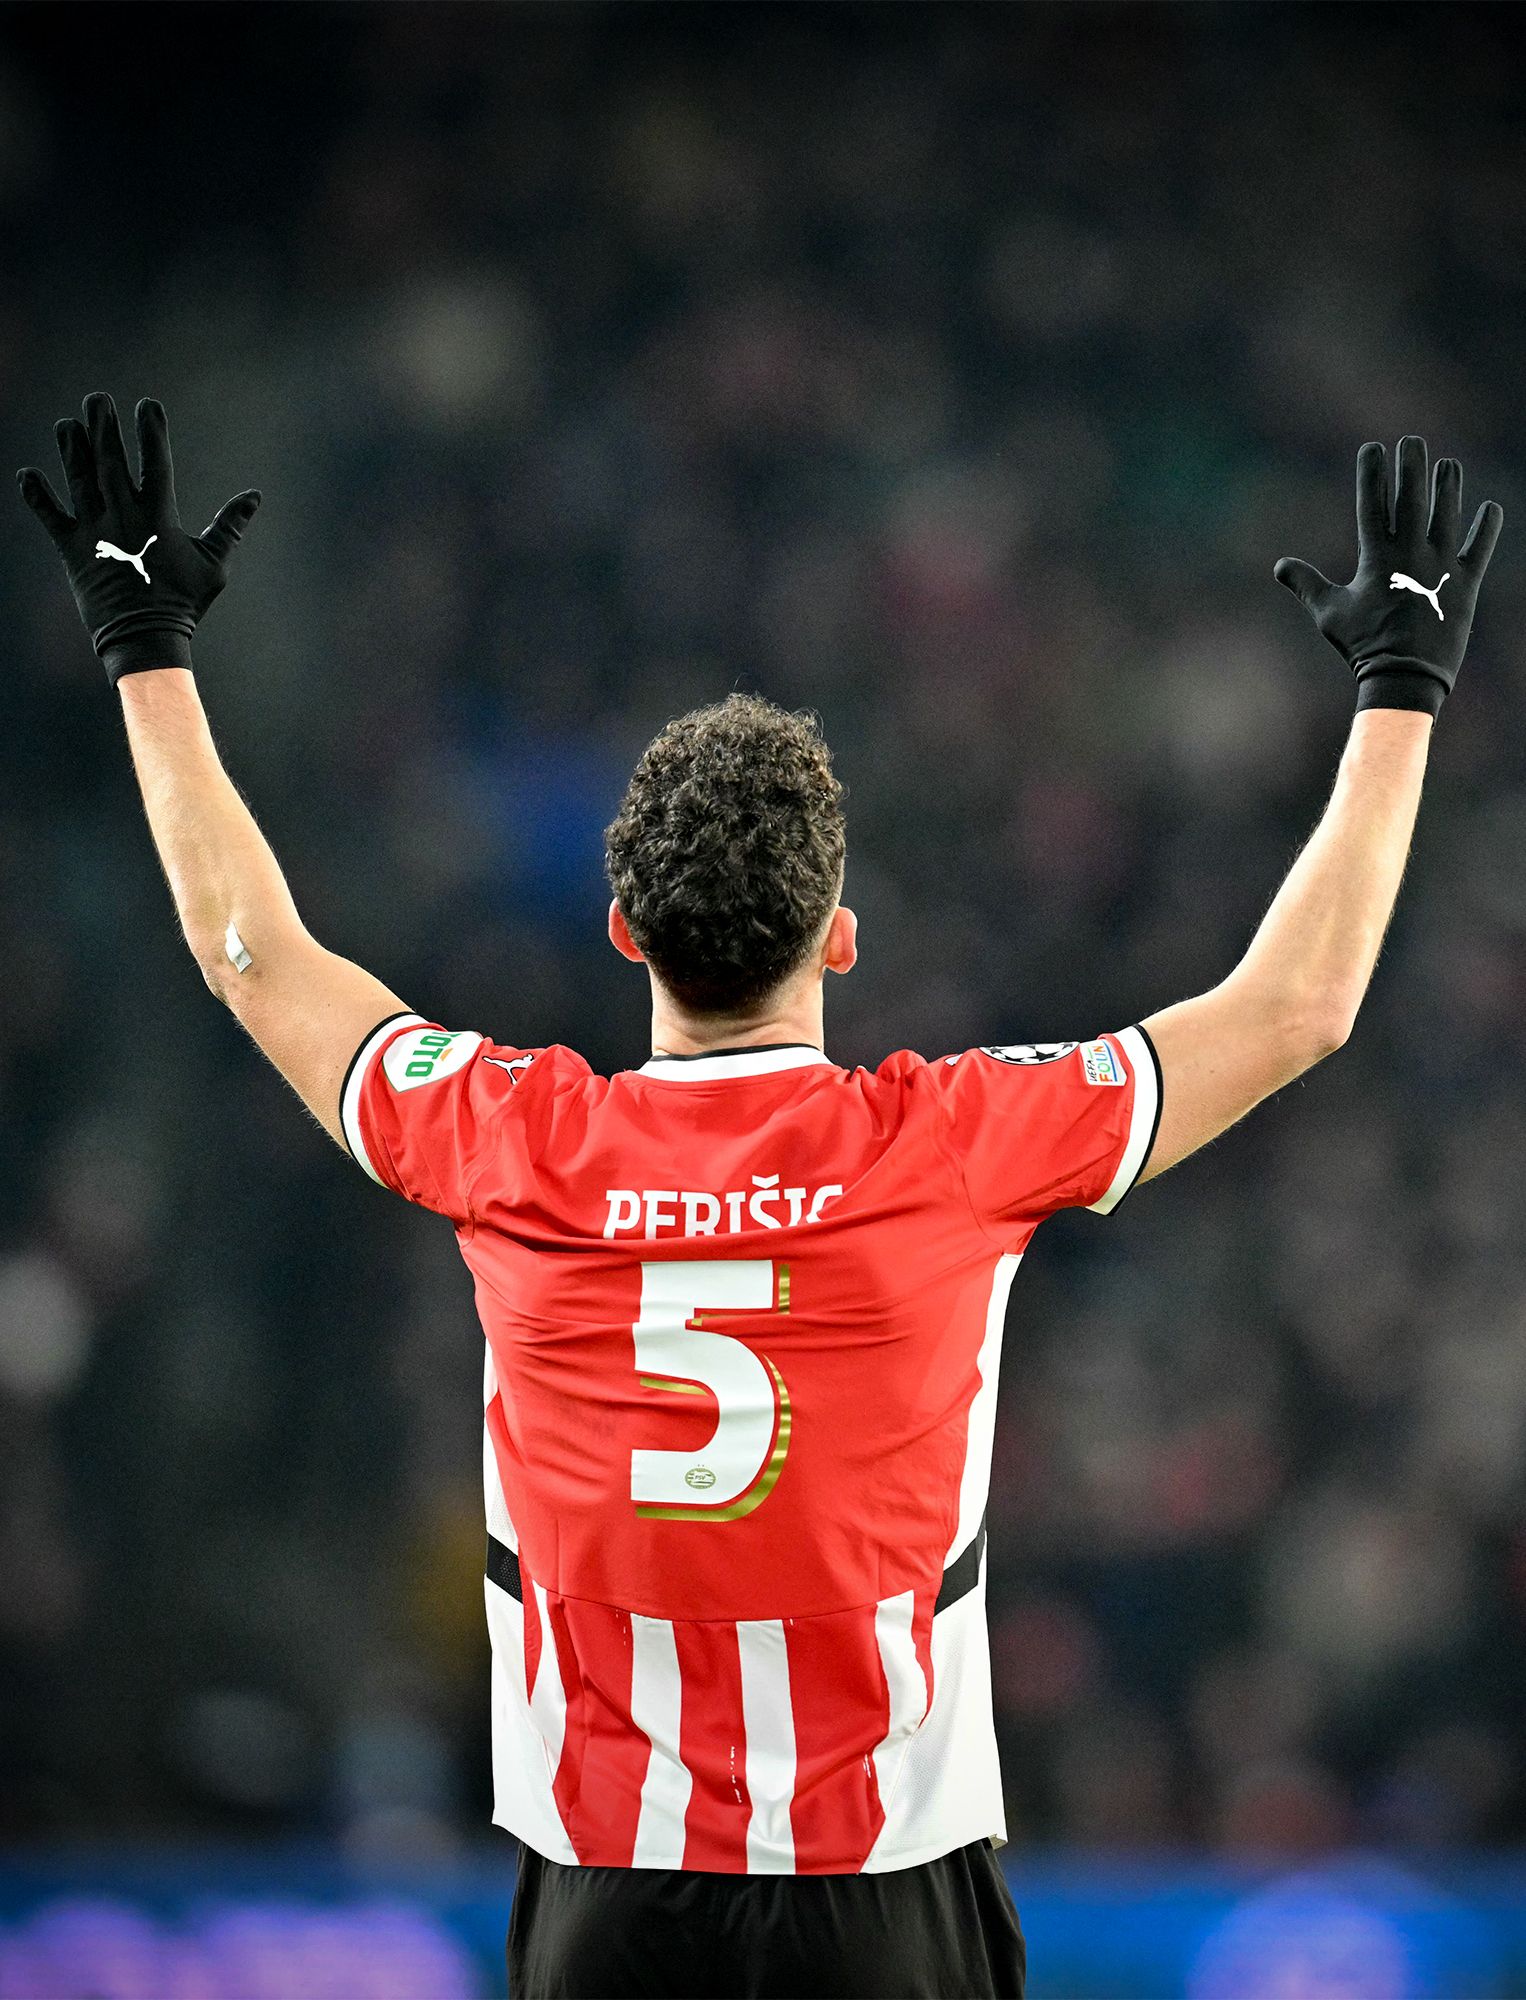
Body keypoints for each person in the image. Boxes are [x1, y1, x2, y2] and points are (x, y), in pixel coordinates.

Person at [19, 399, 1502, 2000]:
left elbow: (255, 956)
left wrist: (145, 645)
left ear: (623, 933)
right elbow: (1299, 1006)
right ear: (837, 935)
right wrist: (1396, 687)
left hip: (608, 1895)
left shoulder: (513, 1140)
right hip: (885, 1901)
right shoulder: (955, 1143)